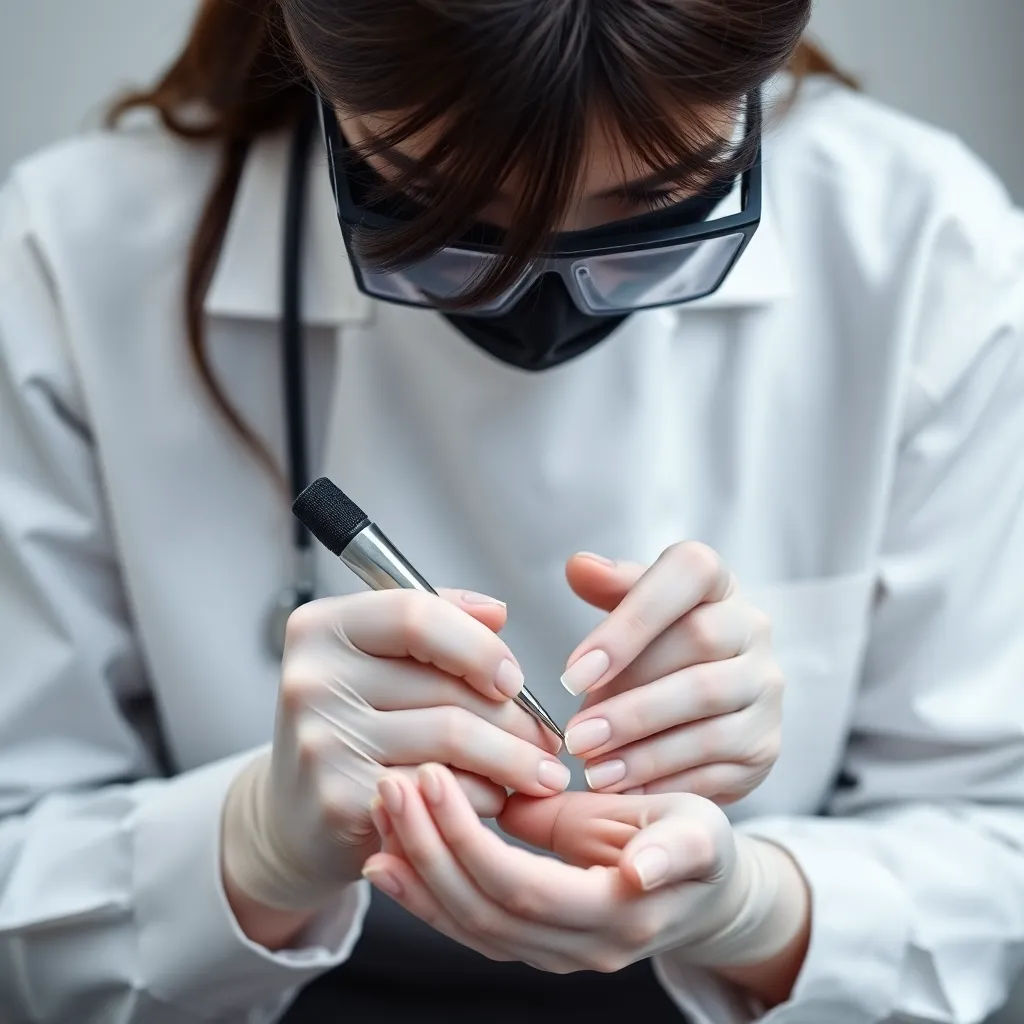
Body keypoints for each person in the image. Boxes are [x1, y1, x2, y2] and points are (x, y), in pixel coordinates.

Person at [1, 0, 1023, 1021]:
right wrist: (251, 848)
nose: (548, 297)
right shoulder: (73, 257)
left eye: (660, 202)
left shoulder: (924, 251)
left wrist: (753, 908)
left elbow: (992, 847)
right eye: (436, 208)